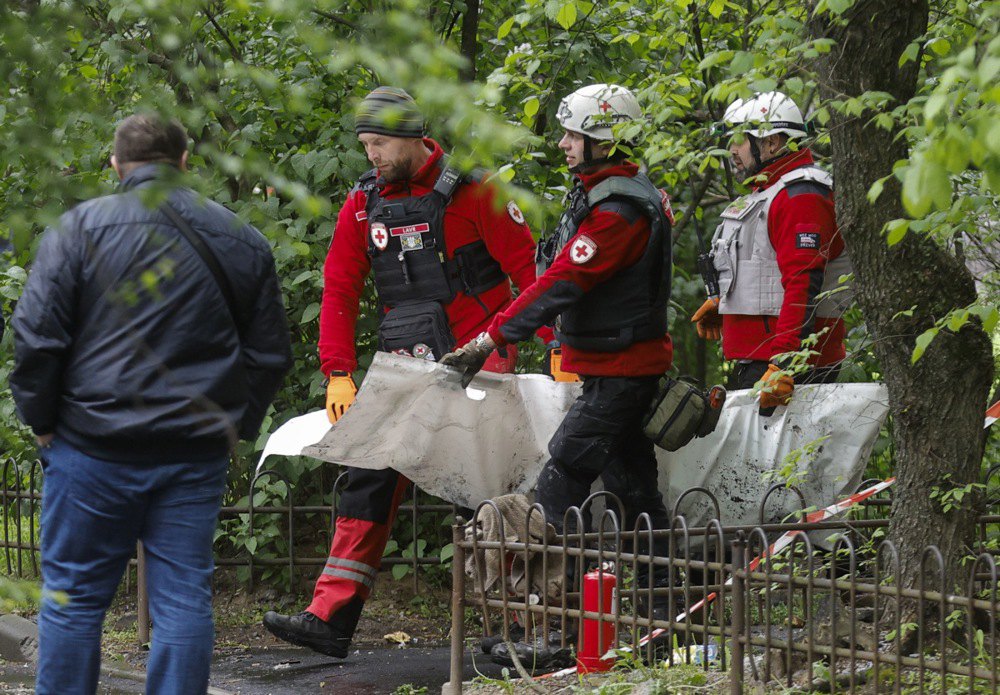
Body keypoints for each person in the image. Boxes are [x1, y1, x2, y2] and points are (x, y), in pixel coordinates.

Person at [262, 86, 550, 658]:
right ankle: (331, 616)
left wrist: (559, 346)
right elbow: (341, 286)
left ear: (417, 136)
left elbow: (534, 274)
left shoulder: (476, 193)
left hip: (478, 364)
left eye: (382, 142)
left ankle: (524, 626)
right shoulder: (363, 203)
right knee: (367, 472)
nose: (373, 155)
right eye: (366, 144)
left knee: (485, 490)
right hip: (404, 363)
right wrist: (337, 372)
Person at [10, 114, 292, 694]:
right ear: (185, 162)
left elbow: (37, 339)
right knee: (183, 597)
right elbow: (268, 356)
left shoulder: (76, 231)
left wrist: (42, 425)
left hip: (90, 446)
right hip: (192, 451)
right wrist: (235, 428)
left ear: (115, 164)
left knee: (73, 598)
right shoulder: (241, 240)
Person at [442, 83, 675, 663]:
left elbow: (562, 283)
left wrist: (490, 337)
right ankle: (665, 623)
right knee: (635, 497)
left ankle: (556, 633)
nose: (565, 144)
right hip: (610, 367)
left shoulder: (619, 211)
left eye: (576, 135)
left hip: (623, 372)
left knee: (560, 484)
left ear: (605, 141)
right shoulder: (598, 193)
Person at [690, 91, 851, 407]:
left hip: (788, 369)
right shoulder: (769, 191)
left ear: (772, 142)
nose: (732, 151)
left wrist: (784, 364)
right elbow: (763, 269)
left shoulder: (801, 196)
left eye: (739, 140)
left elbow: (803, 284)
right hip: (765, 362)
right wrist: (724, 304)